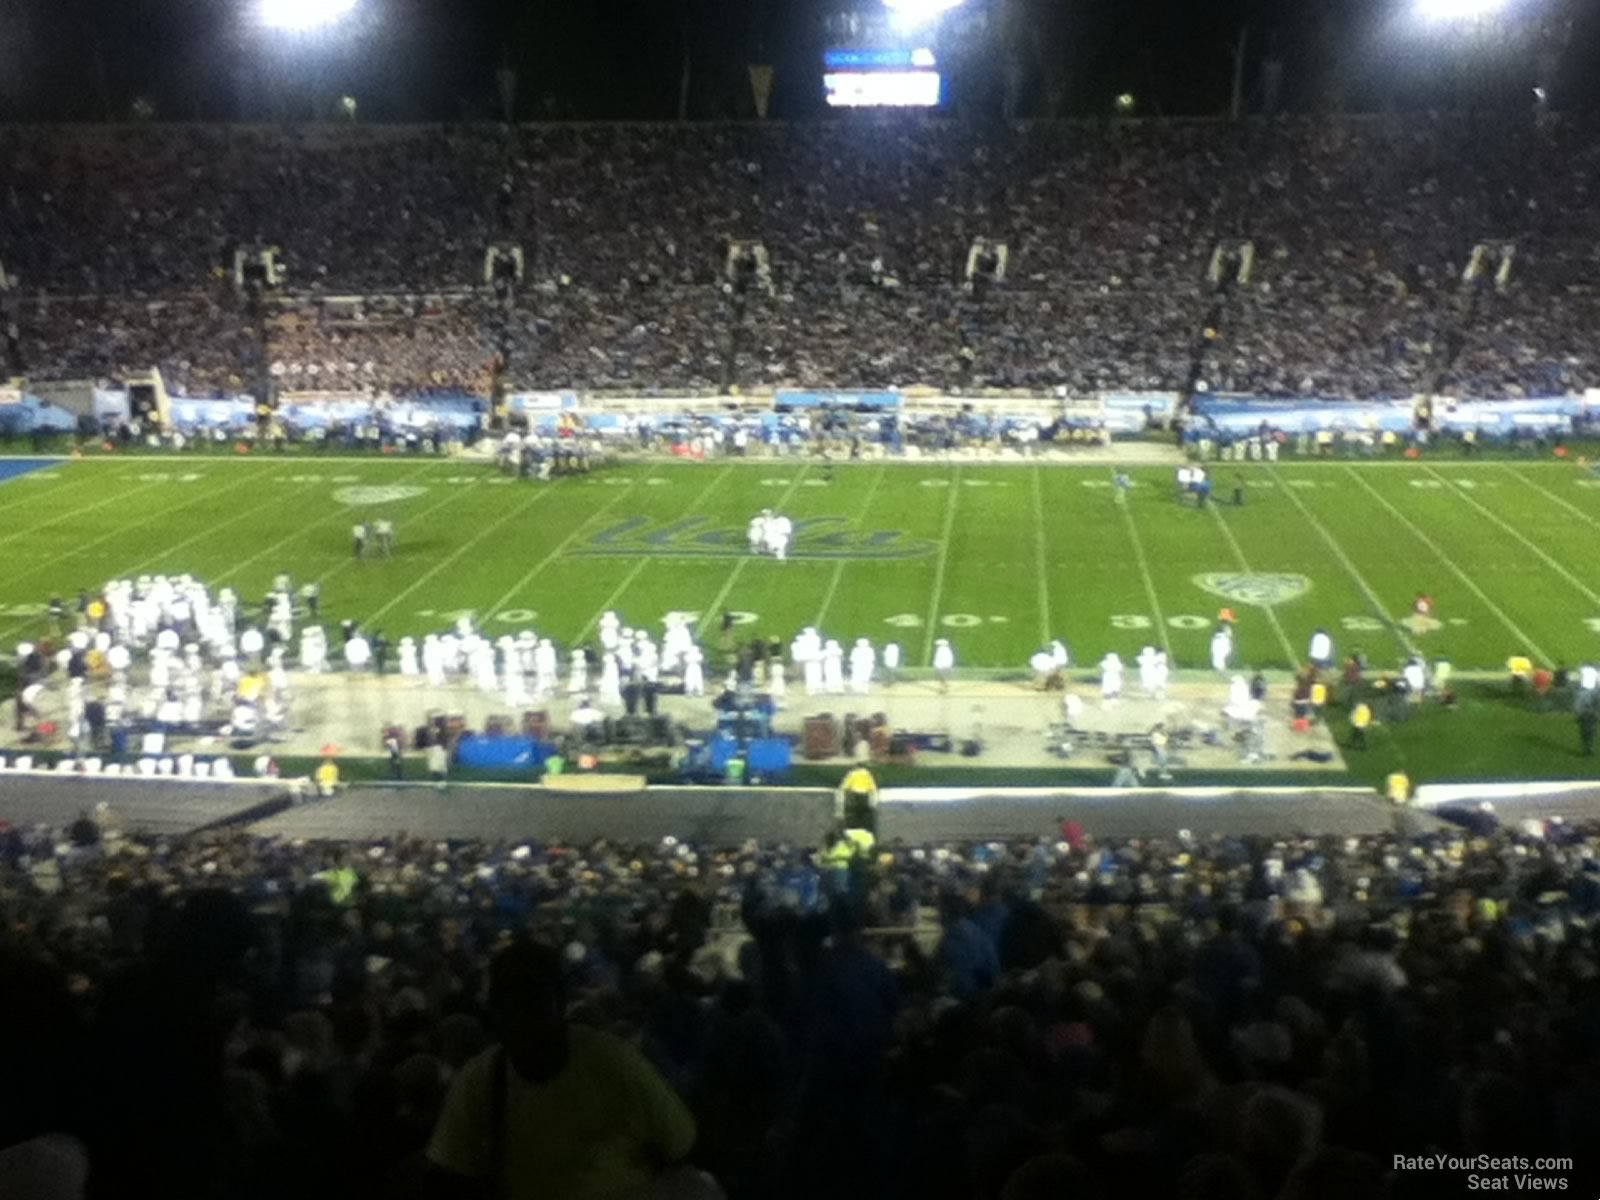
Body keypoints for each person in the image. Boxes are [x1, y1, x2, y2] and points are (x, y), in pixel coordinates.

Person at [426, 941, 697, 1200]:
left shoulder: (613, 1063)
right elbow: (680, 1143)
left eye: (534, 1004)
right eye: (514, 1006)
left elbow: (680, 1146)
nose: (526, 1021)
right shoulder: (479, 1082)